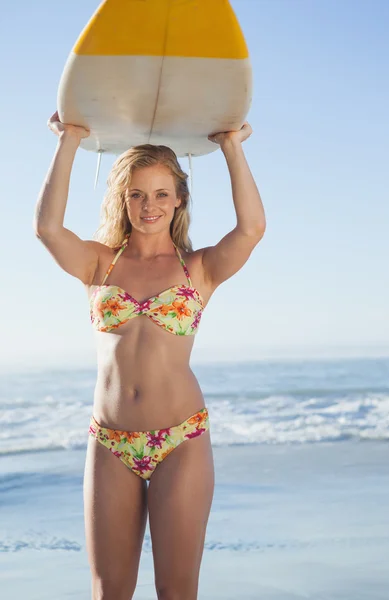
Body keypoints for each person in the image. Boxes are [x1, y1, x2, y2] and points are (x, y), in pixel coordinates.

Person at [33, 110, 266, 600]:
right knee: (109, 591)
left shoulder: (197, 269)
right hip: (110, 442)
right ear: (123, 198)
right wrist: (69, 140)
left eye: (162, 193)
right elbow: (48, 229)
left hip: (180, 440)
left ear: (180, 200)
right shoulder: (99, 262)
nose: (149, 205)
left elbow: (250, 230)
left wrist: (232, 147)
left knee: (176, 593)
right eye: (137, 194)